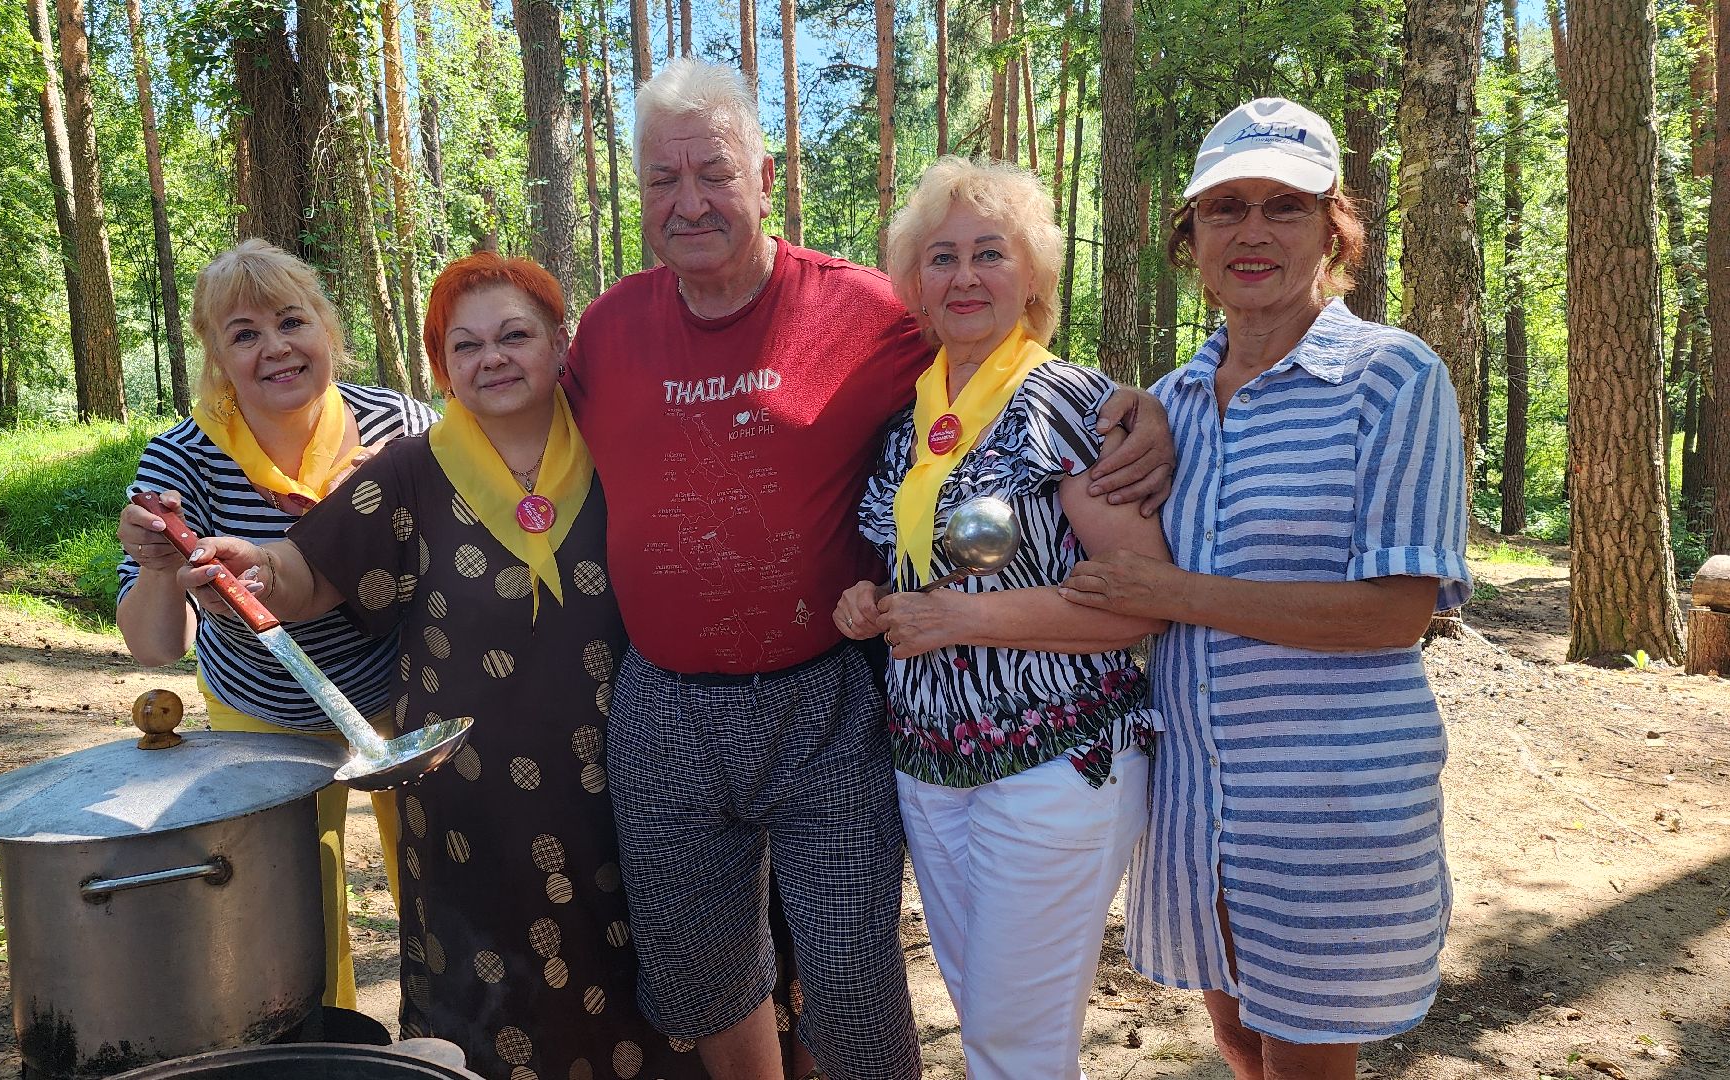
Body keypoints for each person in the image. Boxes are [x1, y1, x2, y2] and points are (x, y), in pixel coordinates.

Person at [562, 58, 1176, 1080]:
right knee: (705, 970)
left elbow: (1011, 356)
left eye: (714, 173)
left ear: (766, 177)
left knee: (856, 976)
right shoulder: (609, 327)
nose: (689, 201)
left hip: (837, 704)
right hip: (686, 704)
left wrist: (1140, 406)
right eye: (662, 179)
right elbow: (518, 431)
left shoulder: (862, 312)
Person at [179, 252, 704, 1080]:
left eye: (514, 336)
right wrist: (258, 568)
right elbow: (312, 571)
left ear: (559, 342)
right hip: (470, 798)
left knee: (650, 966)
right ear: (442, 367)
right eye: (466, 345)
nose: (493, 358)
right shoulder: (412, 469)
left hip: (630, 775)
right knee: (492, 994)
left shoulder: (618, 444)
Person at [1059, 98, 1472, 1080]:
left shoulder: (1392, 379)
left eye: (1284, 207)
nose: (1252, 232)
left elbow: (1396, 614)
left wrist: (1174, 591)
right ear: (1191, 238)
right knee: (1239, 1039)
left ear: (1332, 230)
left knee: (1304, 1059)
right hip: (1195, 800)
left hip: (1326, 809)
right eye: (1225, 208)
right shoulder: (1170, 403)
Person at [833, 157, 1172, 1079]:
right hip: (930, 765)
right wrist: (872, 606)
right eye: (941, 258)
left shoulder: (1073, 405)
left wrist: (959, 620)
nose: (965, 276)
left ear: (1033, 277)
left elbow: (1142, 600)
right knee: (988, 1021)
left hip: (1056, 759)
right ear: (914, 286)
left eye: (991, 253)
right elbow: (916, 578)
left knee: (1014, 1042)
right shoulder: (907, 424)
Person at [115, 239, 435, 1011]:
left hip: (405, 697)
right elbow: (154, 646)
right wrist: (159, 565)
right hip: (264, 713)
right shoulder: (181, 460)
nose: (276, 348)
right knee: (296, 922)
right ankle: (329, 1047)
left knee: (443, 887)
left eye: (292, 321)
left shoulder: (400, 424)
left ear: (326, 327)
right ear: (217, 357)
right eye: (245, 334)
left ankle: (455, 1038)